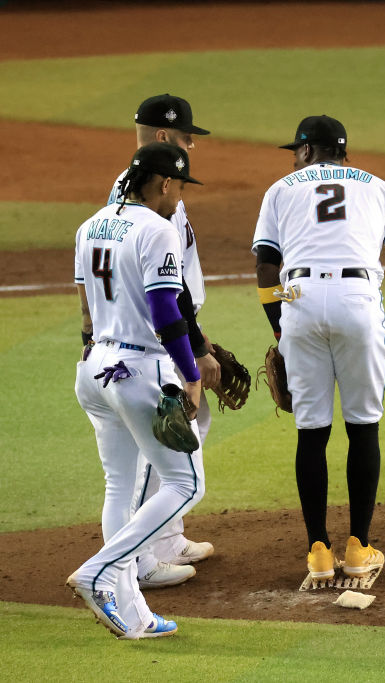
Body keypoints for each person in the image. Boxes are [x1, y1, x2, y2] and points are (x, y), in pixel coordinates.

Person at [252, 115, 385, 586]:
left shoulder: (282, 189)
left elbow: (266, 265)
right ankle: (359, 547)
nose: (293, 157)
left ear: (307, 151)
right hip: (357, 300)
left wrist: (280, 330)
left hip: (300, 302)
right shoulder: (377, 186)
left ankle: (318, 552)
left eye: (296, 150)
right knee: (363, 426)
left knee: (312, 432)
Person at [69, 142, 206, 638]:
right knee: (187, 483)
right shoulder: (157, 229)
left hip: (95, 367)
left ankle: (134, 613)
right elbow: (166, 312)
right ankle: (99, 570)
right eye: (180, 187)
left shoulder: (91, 225)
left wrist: (95, 348)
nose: (179, 198)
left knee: (120, 486)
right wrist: (190, 376)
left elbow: (86, 309)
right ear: (164, 183)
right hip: (139, 369)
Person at [107, 94, 219, 591]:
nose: (191, 142)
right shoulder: (152, 197)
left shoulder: (137, 189)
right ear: (160, 136)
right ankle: (145, 552)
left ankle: (168, 535)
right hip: (154, 340)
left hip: (158, 331)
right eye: (184, 135)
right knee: (164, 439)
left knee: (186, 429)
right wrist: (195, 348)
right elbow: (163, 289)